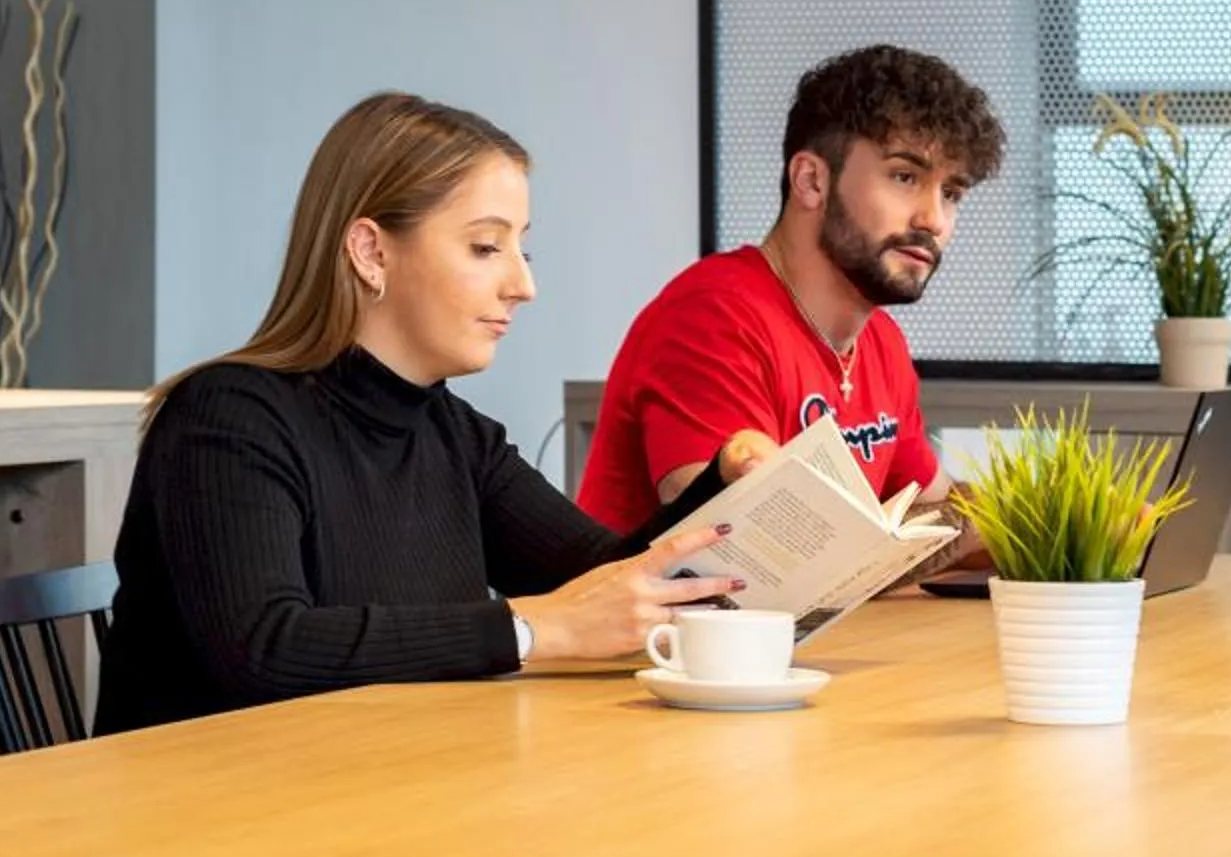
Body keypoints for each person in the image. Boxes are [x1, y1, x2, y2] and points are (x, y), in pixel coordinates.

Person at [98, 93, 765, 735]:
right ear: (371, 251)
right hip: (207, 823)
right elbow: (265, 651)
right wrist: (533, 628)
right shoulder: (227, 419)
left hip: (374, 795)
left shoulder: (457, 434)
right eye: (485, 247)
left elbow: (601, 581)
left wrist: (725, 486)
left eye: (520, 249)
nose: (523, 285)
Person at [576, 44, 1007, 531]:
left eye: (951, 194)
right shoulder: (712, 317)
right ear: (811, 181)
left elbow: (931, 508)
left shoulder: (881, 343)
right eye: (904, 176)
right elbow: (748, 546)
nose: (933, 220)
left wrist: (1069, 525)